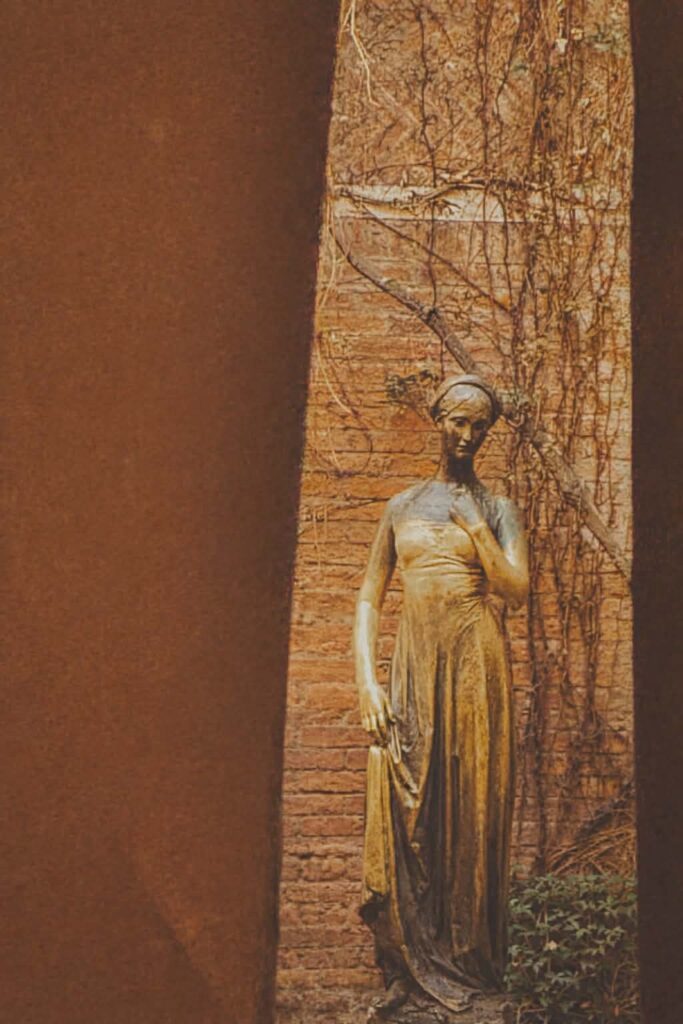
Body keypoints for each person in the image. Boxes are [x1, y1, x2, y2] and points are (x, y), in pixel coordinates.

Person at [353, 374, 529, 1019]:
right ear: (438, 418)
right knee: (410, 811)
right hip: (413, 666)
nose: (467, 435)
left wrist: (478, 532)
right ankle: (410, 966)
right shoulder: (401, 506)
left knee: (473, 809)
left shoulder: (498, 507)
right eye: (458, 421)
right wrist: (367, 680)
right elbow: (370, 596)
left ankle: (472, 966)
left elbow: (516, 590)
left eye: (480, 426)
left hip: (475, 666)